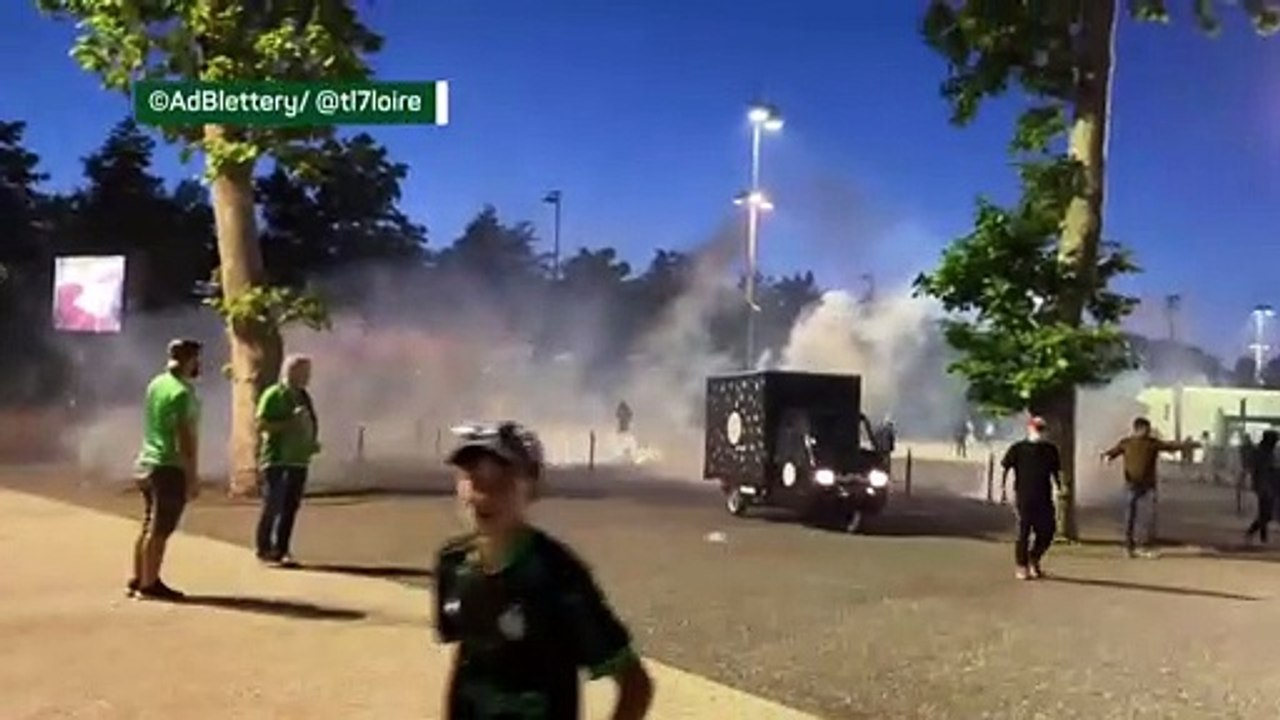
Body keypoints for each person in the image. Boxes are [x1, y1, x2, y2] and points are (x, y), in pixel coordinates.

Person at [434, 421, 654, 720]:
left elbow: (635, 683)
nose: (481, 495)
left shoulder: (558, 576)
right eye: (472, 477)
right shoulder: (452, 564)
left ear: (532, 486)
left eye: (499, 480)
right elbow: (467, 662)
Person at [129, 339, 202, 601]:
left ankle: (139, 577)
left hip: (148, 460)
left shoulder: (157, 384)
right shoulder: (182, 393)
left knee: (149, 524)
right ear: (190, 360)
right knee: (160, 529)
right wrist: (192, 476)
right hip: (168, 466)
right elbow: (185, 437)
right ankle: (149, 584)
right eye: (196, 359)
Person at [254, 354, 320, 567]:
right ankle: (264, 548)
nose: (307, 377)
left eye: (308, 372)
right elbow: (261, 425)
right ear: (290, 372)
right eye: (303, 372)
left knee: (291, 506)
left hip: (299, 460)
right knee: (274, 503)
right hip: (277, 459)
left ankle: (282, 549)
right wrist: (289, 423)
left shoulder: (303, 396)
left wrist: (311, 442)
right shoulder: (274, 394)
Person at [1102, 417, 1193, 559]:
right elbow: (1113, 452)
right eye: (1146, 429)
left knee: (1148, 517)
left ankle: (1145, 546)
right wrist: (1107, 457)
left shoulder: (1152, 443)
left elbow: (1170, 446)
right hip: (1132, 484)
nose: (1148, 432)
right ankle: (1129, 547)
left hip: (1148, 486)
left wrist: (1186, 445)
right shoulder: (1126, 443)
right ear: (1139, 429)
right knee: (1130, 517)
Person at [1000, 416, 1063, 580]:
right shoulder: (1018, 449)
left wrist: (1059, 488)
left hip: (1044, 497)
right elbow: (1005, 468)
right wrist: (1003, 490)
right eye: (1037, 428)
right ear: (1030, 428)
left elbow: (1056, 472)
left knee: (1048, 531)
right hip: (1024, 497)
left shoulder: (1050, 450)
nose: (1040, 432)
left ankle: (1033, 558)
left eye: (1042, 429)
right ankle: (1022, 566)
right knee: (1023, 532)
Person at [1244, 429, 1280, 544]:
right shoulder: (1262, 453)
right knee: (1266, 514)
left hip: (1267, 486)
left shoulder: (1266, 452)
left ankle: (1262, 537)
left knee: (1265, 514)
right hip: (1264, 486)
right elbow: (1262, 470)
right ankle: (1253, 534)